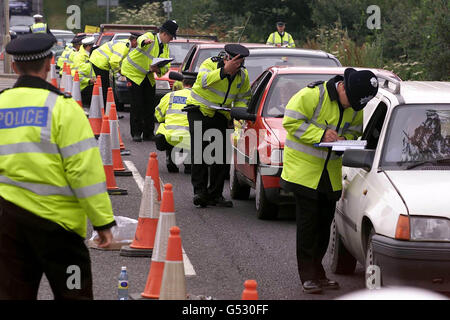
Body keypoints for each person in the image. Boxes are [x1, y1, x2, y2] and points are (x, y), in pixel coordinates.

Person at [0, 33, 116, 299]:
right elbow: (84, 173)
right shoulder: (64, 109)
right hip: (60, 232)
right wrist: (102, 223)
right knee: (74, 293)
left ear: (14, 66)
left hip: (10, 227)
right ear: (50, 62)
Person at [280, 68, 379, 294]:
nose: (350, 107)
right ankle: (308, 276)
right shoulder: (312, 95)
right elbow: (291, 122)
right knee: (308, 226)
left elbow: (355, 132)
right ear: (343, 86)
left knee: (324, 226)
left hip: (329, 175)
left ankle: (318, 273)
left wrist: (346, 140)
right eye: (349, 101)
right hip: (303, 173)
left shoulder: (354, 105)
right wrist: (321, 134)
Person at [185, 44, 251, 208]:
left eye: (239, 66)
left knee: (220, 156)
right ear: (226, 59)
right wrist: (224, 71)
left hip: (222, 115)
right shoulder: (210, 64)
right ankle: (199, 193)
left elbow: (243, 97)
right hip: (199, 111)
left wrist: (236, 114)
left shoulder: (242, 75)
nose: (236, 69)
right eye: (234, 65)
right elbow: (203, 81)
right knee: (200, 151)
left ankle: (215, 194)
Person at [121, 20, 178, 142]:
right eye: (171, 37)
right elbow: (142, 39)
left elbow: (166, 66)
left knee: (149, 104)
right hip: (133, 73)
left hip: (147, 75)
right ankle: (136, 133)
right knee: (137, 104)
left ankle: (148, 133)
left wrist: (158, 69)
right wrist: (144, 42)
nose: (171, 40)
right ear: (164, 33)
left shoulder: (166, 47)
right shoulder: (150, 37)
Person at [155, 73, 195, 174]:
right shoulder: (199, 97)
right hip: (191, 138)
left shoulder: (170, 95)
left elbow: (158, 114)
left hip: (170, 137)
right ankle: (188, 164)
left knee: (164, 127)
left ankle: (170, 159)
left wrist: (165, 119)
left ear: (182, 83)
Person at [89, 32, 140, 107]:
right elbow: (114, 61)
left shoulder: (124, 43)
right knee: (105, 88)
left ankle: (105, 108)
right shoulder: (125, 46)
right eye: (139, 43)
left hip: (98, 60)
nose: (138, 46)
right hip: (99, 62)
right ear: (134, 40)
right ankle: (104, 109)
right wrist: (118, 72)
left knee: (105, 87)